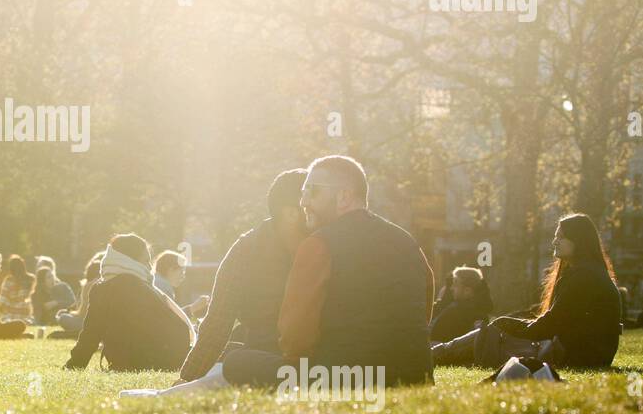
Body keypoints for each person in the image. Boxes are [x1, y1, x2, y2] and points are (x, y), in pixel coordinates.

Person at [142, 156, 434, 397]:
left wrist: (301, 362)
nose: (306, 202)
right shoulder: (405, 240)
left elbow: (296, 338)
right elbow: (426, 300)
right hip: (415, 374)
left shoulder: (319, 244)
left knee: (238, 362)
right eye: (303, 193)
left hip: (346, 379)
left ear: (343, 196)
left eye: (312, 192)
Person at [432, 213, 623, 368]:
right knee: (488, 339)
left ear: (579, 241)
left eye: (561, 237)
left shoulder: (583, 276)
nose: (555, 241)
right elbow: (557, 320)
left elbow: (549, 325)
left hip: (578, 355)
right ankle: (436, 353)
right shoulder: (589, 271)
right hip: (587, 353)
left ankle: (433, 354)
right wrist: (511, 323)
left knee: (490, 335)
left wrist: (508, 324)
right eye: (555, 236)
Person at [175, 169, 309, 382]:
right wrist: (189, 377)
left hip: (321, 352)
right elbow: (219, 318)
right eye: (311, 199)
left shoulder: (328, 242)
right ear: (291, 213)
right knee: (235, 357)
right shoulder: (246, 251)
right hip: (269, 351)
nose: (320, 210)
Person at [65, 233, 194, 371]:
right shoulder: (136, 287)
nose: (150, 267)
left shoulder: (104, 287)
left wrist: (74, 364)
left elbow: (91, 334)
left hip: (129, 360)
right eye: (145, 261)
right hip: (154, 359)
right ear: (129, 260)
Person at [427, 265, 494, 343]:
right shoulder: (453, 306)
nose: (451, 288)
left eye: (455, 283)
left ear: (467, 291)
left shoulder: (470, 314)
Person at [53, 252, 103, 338]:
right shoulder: (107, 284)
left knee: (62, 317)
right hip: (102, 324)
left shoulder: (88, 286)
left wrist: (71, 313)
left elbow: (82, 312)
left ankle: (78, 332)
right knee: (65, 314)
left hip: (87, 323)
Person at [0, 254, 35, 323]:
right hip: (27, 315)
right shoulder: (31, 279)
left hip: (12, 315)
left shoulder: (8, 281)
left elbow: (2, 302)